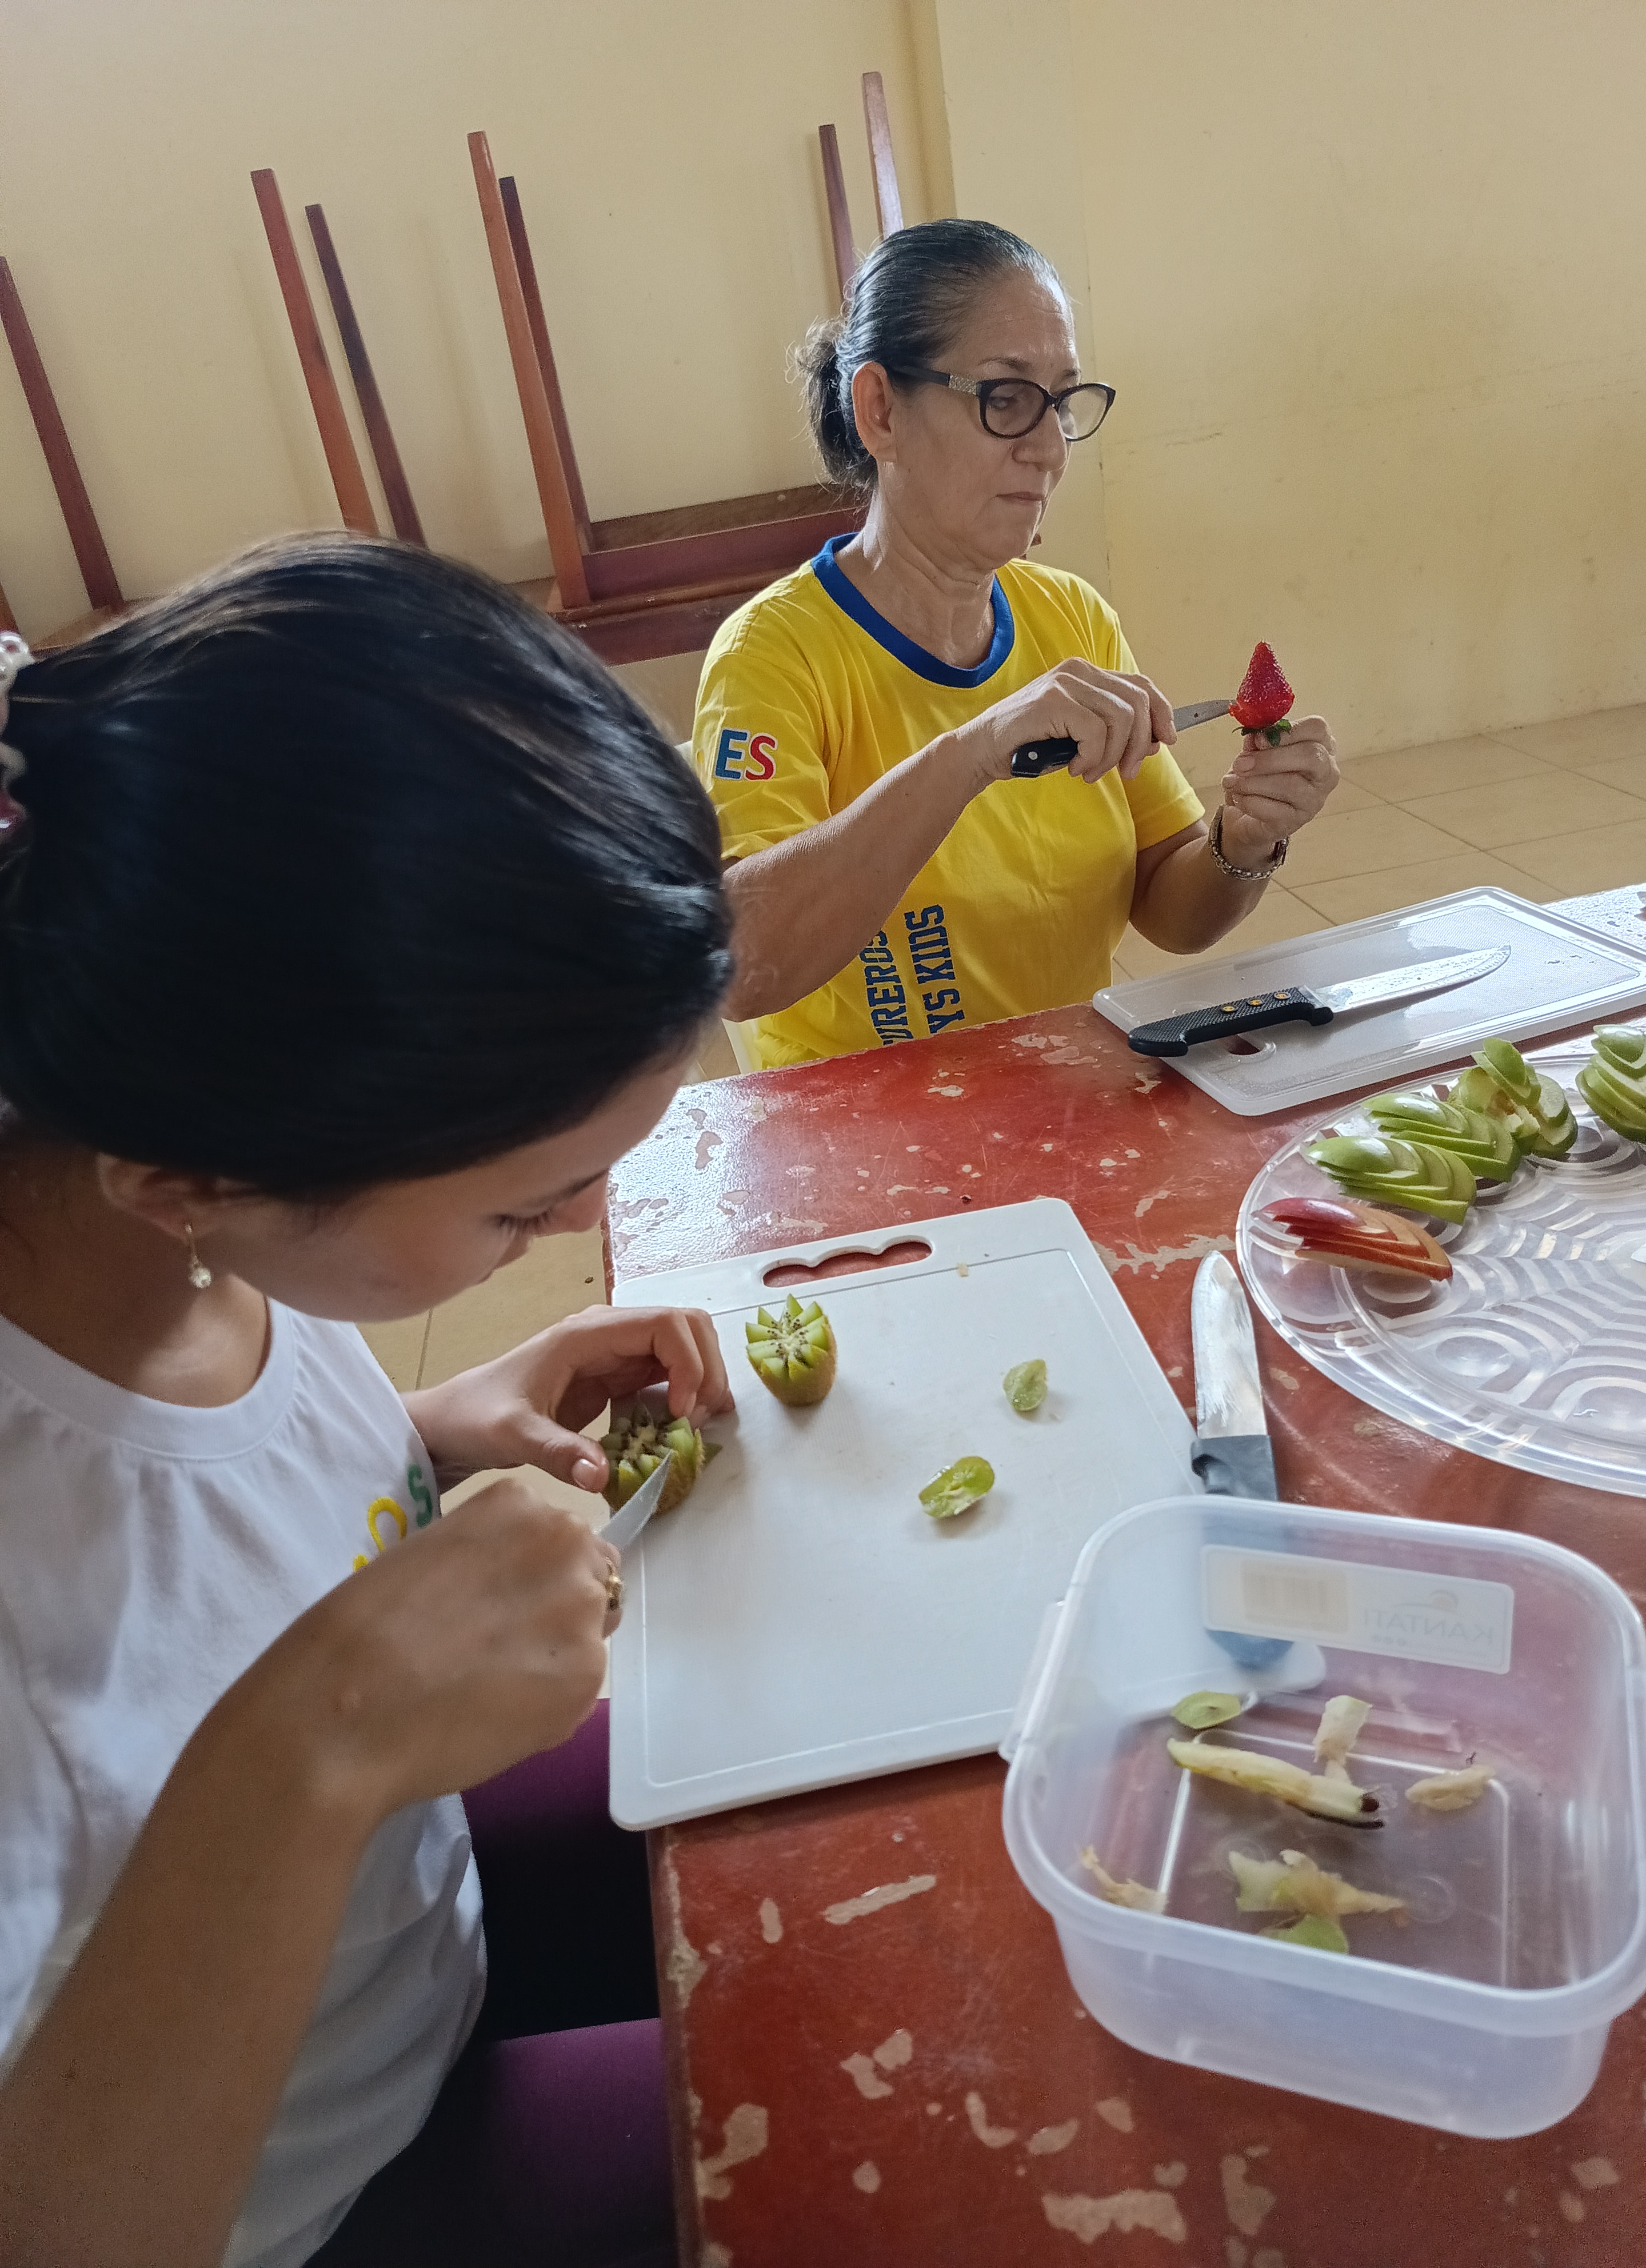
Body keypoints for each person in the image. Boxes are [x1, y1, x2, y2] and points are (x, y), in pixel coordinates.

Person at [0, 537, 737, 2268]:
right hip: (303, 2195)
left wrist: (435, 1423)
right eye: (521, 1210)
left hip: (405, 1947)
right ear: (189, 1185)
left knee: (797, 1823)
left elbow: (186, 1546)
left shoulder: (169, 1209)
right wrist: (312, 1741)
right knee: (848, 2143)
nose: (581, 1225)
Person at [694, 218, 1341, 1068]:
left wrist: (1244, 842)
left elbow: (1170, 905)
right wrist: (972, 753)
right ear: (880, 411)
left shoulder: (1071, 619)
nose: (1047, 449)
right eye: (1004, 399)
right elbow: (742, 966)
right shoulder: (773, 655)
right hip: (855, 1128)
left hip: (1060, 1099)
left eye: (1061, 403)